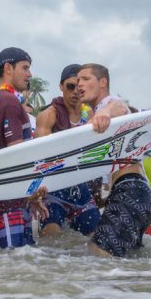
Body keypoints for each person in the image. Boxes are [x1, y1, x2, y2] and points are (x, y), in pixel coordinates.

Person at [77, 63, 151, 258]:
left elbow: (120, 106)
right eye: (78, 80)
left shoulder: (110, 104)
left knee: (98, 254)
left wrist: (105, 113)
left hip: (130, 192)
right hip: (134, 194)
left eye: (86, 79)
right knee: (126, 264)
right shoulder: (94, 113)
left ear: (102, 82)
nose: (79, 84)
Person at [0, 47, 47, 249]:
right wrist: (33, 190)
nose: (30, 74)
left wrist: (30, 195)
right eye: (25, 68)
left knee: (20, 266)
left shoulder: (5, 99)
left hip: (16, 199)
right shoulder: (7, 101)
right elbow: (17, 153)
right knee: (12, 263)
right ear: (8, 68)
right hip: (8, 202)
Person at [35, 64, 100, 237]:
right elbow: (38, 158)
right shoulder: (48, 115)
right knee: (51, 244)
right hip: (54, 190)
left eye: (79, 87)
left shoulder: (92, 116)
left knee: (99, 241)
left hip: (82, 190)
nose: (75, 92)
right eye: (70, 86)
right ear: (61, 87)